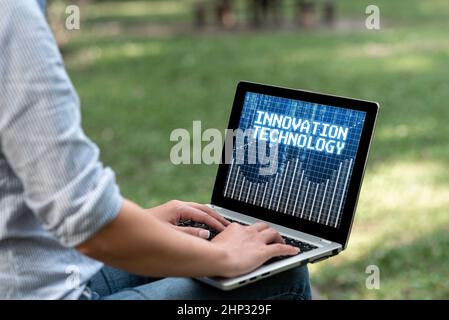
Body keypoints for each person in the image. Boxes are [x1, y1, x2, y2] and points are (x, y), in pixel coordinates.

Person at [0, 0, 311, 300]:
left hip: (42, 268)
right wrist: (222, 255)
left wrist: (143, 226)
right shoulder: (14, 16)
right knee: (282, 277)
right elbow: (85, 218)